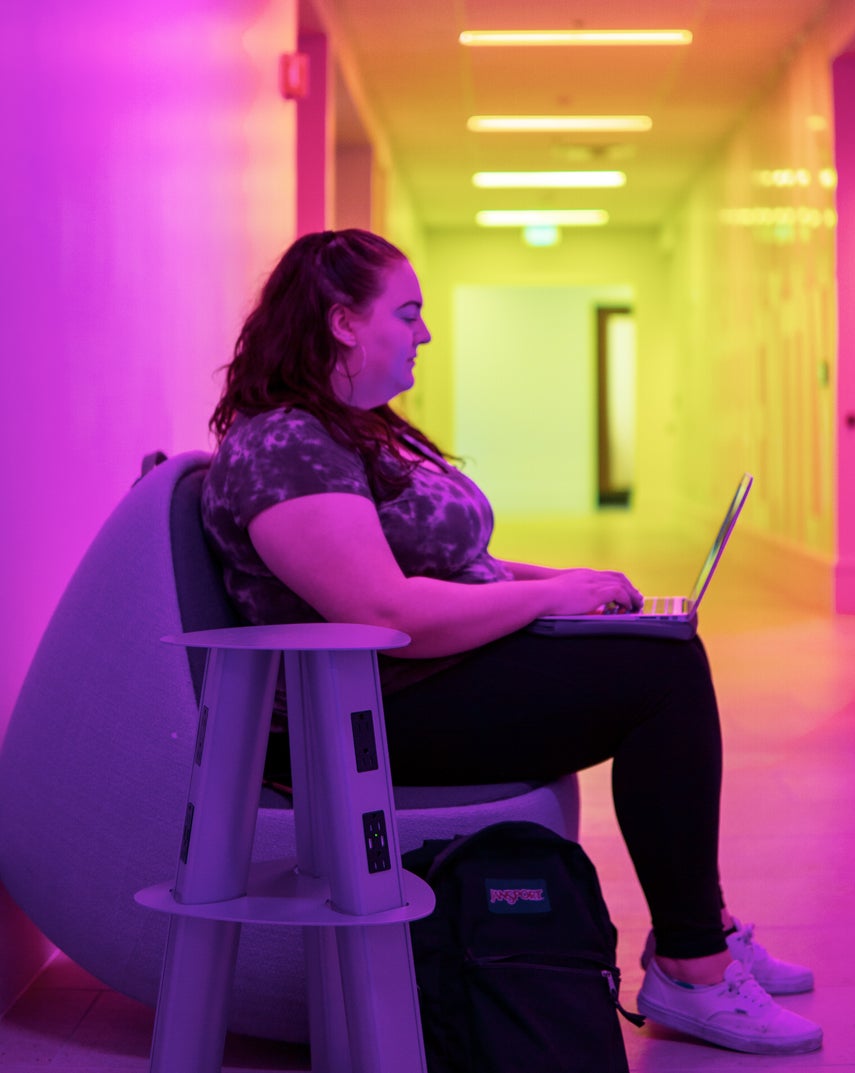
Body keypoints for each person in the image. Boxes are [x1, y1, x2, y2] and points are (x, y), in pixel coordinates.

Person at [201, 228, 823, 1056]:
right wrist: (555, 600)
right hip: (367, 713)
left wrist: (556, 582)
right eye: (410, 312)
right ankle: (693, 964)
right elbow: (387, 612)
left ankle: (701, 924)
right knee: (662, 675)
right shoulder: (286, 446)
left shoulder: (356, 430)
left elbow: (461, 562)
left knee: (659, 647)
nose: (424, 332)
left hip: (421, 682)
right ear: (344, 321)